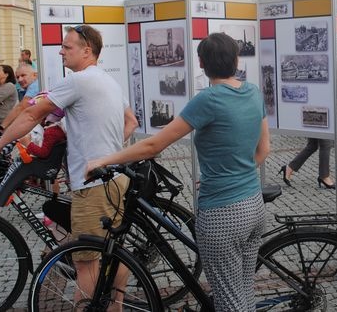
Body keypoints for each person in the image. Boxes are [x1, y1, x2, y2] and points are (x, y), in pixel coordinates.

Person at [86, 33, 270, 311]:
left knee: (229, 303)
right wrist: (230, 174)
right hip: (253, 206)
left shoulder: (209, 99)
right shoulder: (253, 92)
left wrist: (104, 160)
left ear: (201, 63)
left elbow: (154, 144)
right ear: (236, 60)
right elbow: (263, 150)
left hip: (223, 215)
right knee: (243, 293)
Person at [0, 24, 138, 306]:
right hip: (114, 179)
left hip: (92, 187)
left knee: (87, 263)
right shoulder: (107, 80)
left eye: (67, 47)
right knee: (115, 252)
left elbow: (32, 114)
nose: (61, 51)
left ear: (86, 51)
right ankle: (115, 306)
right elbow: (132, 122)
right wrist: (107, 150)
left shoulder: (78, 80)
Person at [1, 63, 40, 129]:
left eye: (23, 75)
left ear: (35, 75)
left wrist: (2, 127)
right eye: (18, 77)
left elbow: (21, 107)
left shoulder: (34, 85)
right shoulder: (35, 84)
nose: (20, 80)